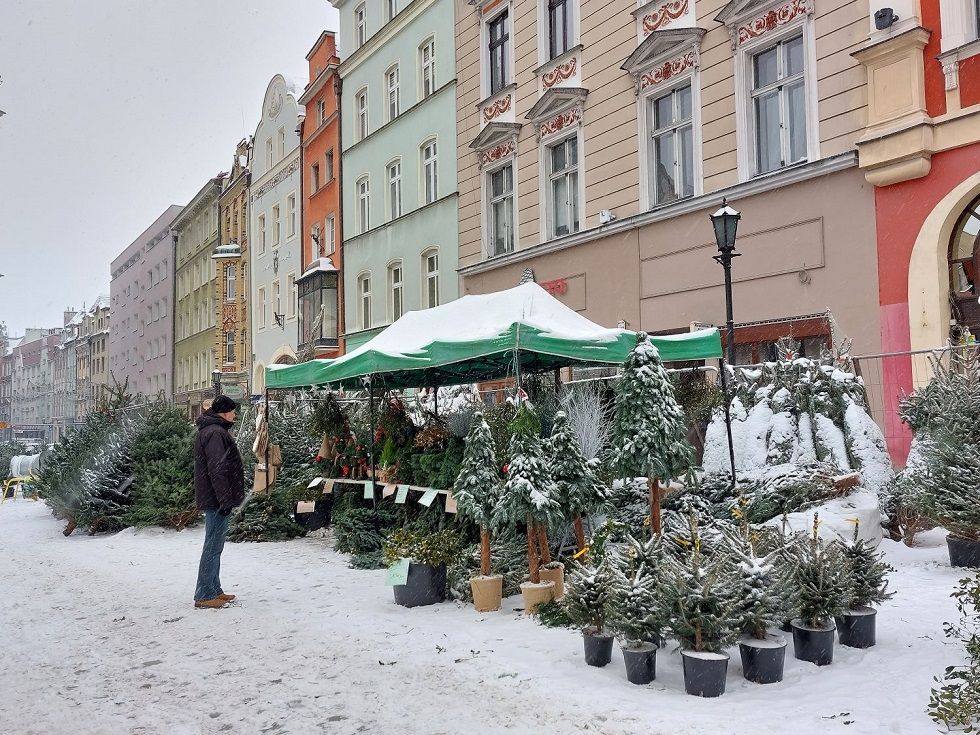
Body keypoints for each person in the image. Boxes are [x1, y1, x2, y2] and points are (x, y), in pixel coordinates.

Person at [193, 395, 245, 609]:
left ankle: (214, 589)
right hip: (216, 499)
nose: (235, 415)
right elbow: (218, 468)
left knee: (215, 545)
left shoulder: (213, 430)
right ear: (224, 412)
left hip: (214, 497)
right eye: (232, 411)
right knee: (213, 545)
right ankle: (205, 594)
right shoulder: (215, 433)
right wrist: (225, 499)